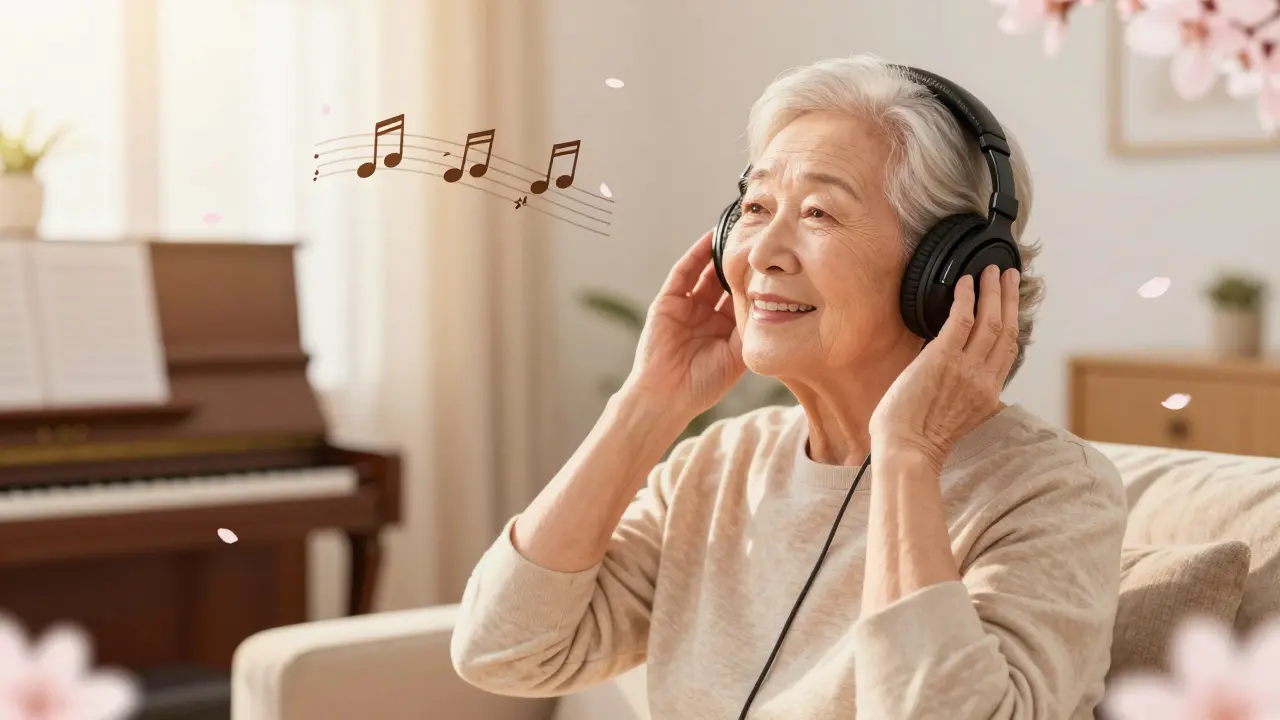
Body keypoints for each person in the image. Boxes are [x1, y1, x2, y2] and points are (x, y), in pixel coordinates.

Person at [450, 54, 1127, 719]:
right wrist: (647, 404)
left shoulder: (1053, 492)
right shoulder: (717, 467)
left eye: (817, 214)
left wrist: (907, 458)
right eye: (755, 206)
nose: (760, 253)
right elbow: (502, 651)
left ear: (947, 272)